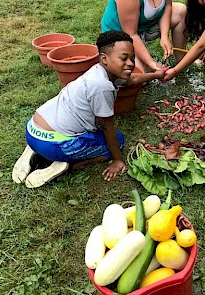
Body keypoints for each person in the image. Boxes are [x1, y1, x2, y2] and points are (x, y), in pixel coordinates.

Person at [12, 31, 165, 188]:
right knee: (117, 140)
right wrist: (117, 159)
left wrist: (155, 75)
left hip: (33, 128)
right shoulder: (102, 87)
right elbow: (107, 127)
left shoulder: (100, 71)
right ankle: (68, 166)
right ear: (105, 59)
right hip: (53, 144)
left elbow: (132, 79)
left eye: (132, 58)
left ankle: (34, 150)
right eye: (124, 58)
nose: (131, 63)